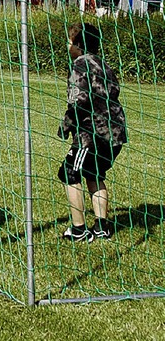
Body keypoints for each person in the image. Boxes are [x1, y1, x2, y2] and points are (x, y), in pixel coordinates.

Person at [58, 22, 127, 243]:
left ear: (77, 44)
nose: (67, 45)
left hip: (93, 133)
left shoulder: (79, 64)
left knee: (69, 172)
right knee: (94, 173)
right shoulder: (103, 64)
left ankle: (78, 230)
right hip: (115, 133)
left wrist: (66, 124)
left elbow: (80, 101)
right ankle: (102, 227)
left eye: (69, 41)